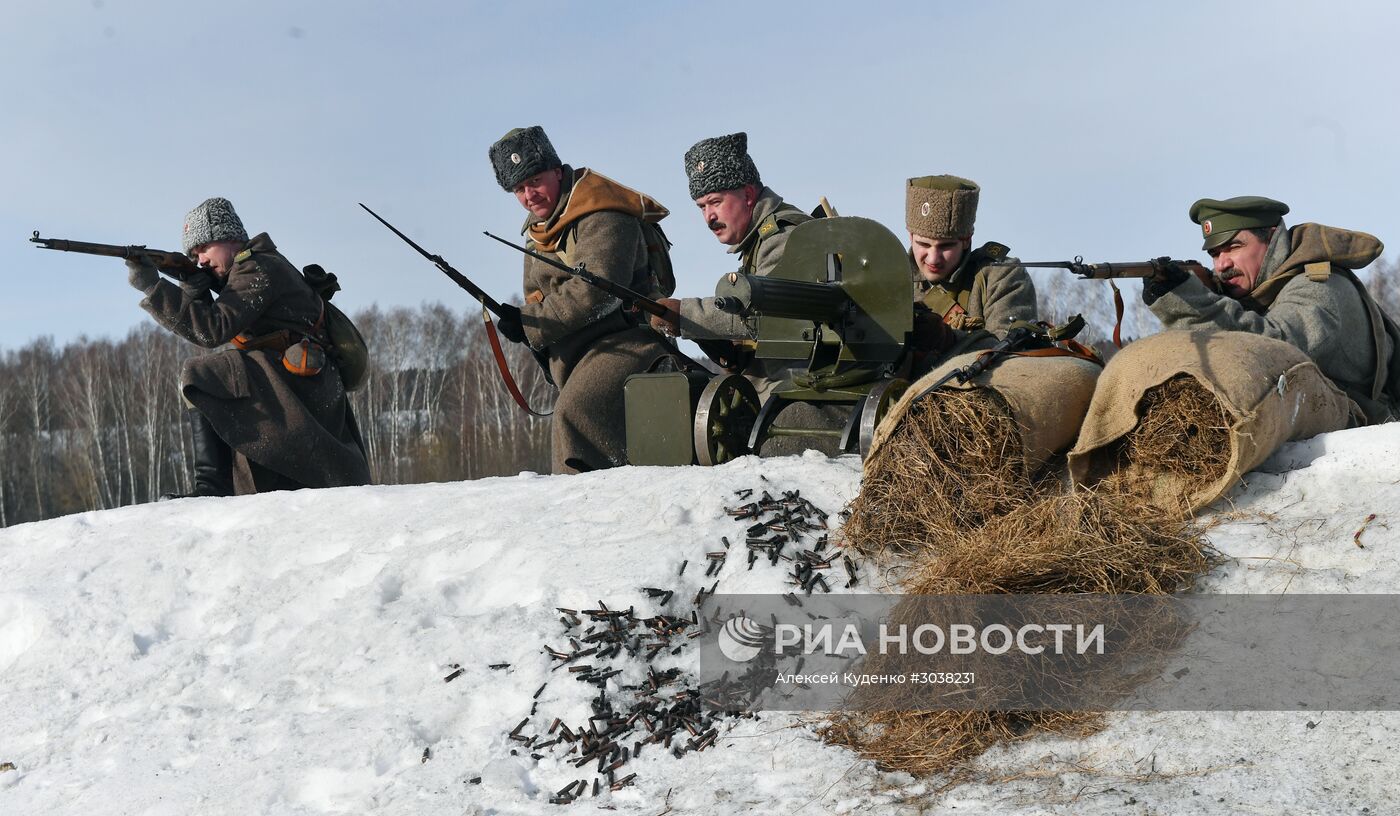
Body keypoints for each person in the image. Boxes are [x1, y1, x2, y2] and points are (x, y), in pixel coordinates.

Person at [125, 197, 370, 496]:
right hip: (296, 382)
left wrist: (154, 288)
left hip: (303, 383)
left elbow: (213, 330)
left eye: (203, 248)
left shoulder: (257, 267)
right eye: (193, 254)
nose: (200, 259)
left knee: (202, 375)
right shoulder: (250, 268)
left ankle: (211, 487)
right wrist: (194, 291)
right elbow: (219, 323)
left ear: (228, 237)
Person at [488, 125, 680, 473]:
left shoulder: (603, 212)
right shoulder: (537, 233)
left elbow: (599, 289)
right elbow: (537, 296)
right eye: (518, 189)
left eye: (534, 181)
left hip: (629, 344)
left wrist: (532, 324)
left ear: (557, 172)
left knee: (573, 415)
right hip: (579, 356)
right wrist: (524, 325)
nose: (529, 195)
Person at [1143, 195, 1399, 424]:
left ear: (1273, 239)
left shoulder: (1320, 285)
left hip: (1372, 430)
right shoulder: (1257, 292)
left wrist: (1192, 302)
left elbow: (1277, 347)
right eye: (1215, 253)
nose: (1222, 265)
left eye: (1234, 247)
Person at [650, 131, 813, 397]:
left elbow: (765, 316)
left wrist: (683, 315)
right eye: (701, 207)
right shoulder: (757, 242)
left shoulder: (782, 238)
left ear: (748, 195)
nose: (708, 217)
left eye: (715, 202)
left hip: (797, 384)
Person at [904, 175, 1038, 370]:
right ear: (910, 236)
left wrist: (947, 339)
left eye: (946, 246)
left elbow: (1011, 354)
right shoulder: (893, 279)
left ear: (966, 239)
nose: (933, 258)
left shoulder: (1001, 276)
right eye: (923, 244)